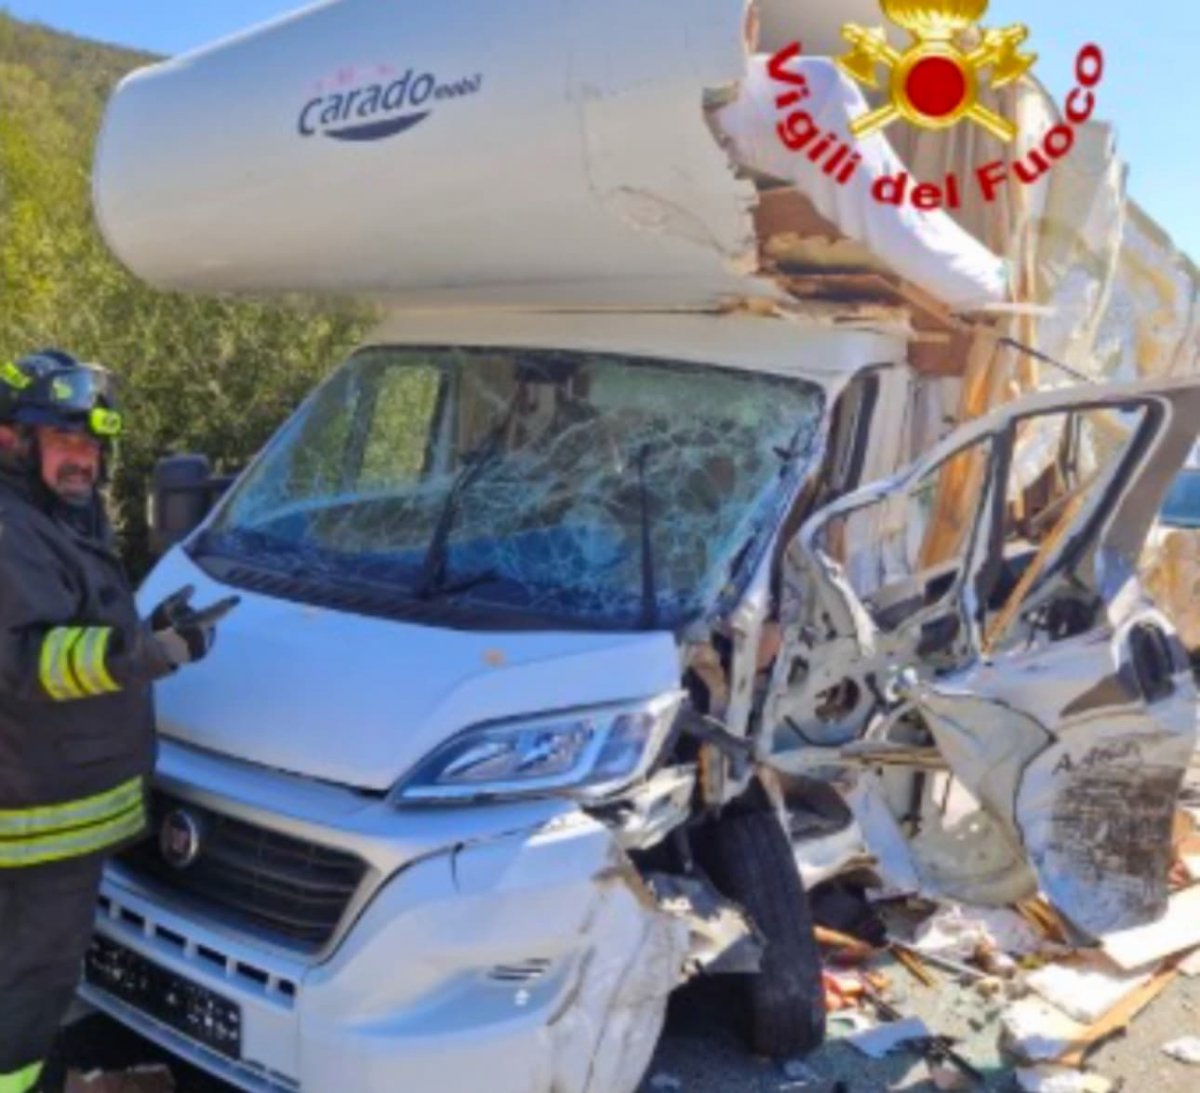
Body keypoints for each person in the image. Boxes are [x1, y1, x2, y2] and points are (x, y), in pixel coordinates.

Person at [0, 349, 237, 1093]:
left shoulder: (56, 515)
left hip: (54, 812)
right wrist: (146, 654)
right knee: (28, 988)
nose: (84, 459)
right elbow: (25, 661)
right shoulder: (9, 528)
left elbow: (75, 619)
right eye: (64, 439)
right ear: (12, 439)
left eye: (93, 443)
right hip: (33, 827)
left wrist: (144, 631)